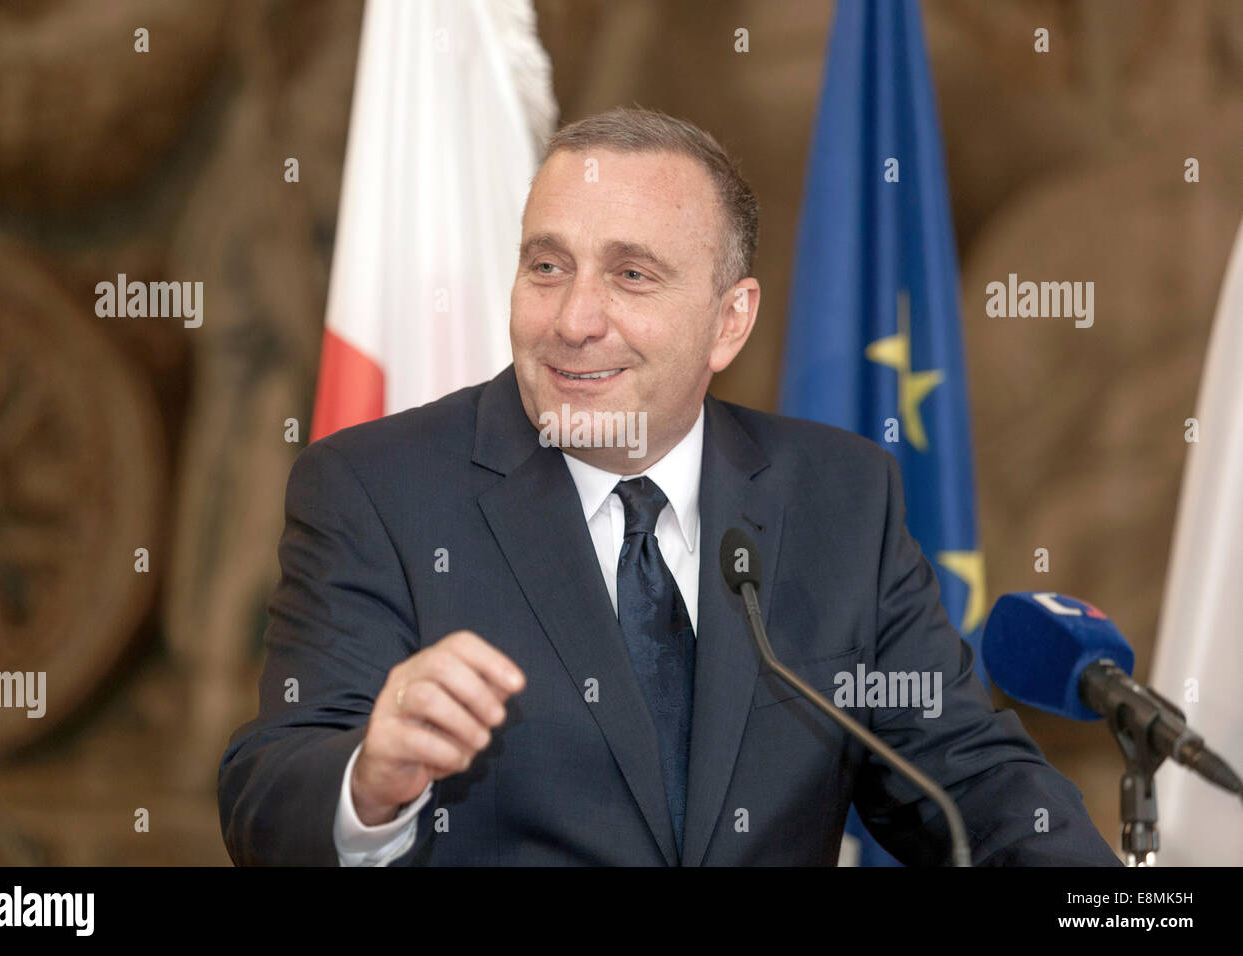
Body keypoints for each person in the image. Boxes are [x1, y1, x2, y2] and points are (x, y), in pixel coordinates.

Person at [217, 107, 1120, 866]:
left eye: (631, 275)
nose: (574, 320)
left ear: (729, 322)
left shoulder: (840, 499)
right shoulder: (378, 491)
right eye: (547, 266)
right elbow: (269, 789)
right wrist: (367, 783)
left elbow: (966, 773)